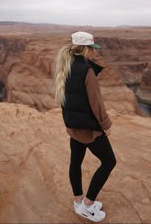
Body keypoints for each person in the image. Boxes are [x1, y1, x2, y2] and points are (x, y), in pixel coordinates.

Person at [54, 31, 116, 222]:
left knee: (76, 162)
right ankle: (87, 206)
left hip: (73, 126)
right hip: (88, 128)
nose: (93, 53)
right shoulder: (87, 70)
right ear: (86, 49)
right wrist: (106, 124)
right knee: (109, 162)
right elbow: (96, 102)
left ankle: (78, 201)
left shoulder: (66, 65)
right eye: (92, 49)